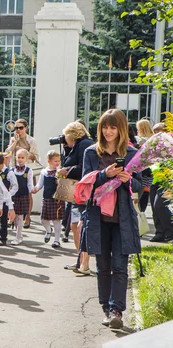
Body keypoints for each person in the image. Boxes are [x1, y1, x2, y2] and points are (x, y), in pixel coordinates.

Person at [82, 108, 142, 329]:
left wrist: (128, 180)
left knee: (120, 266)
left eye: (113, 127)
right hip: (98, 217)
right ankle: (106, 309)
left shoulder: (131, 152)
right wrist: (103, 175)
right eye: (105, 127)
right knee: (103, 266)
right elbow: (84, 183)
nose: (108, 131)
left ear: (121, 128)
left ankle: (117, 310)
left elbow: (141, 185)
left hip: (122, 218)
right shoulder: (91, 152)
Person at [58, 121, 93, 272]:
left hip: (82, 190)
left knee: (81, 226)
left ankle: (85, 263)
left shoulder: (85, 144)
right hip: (75, 190)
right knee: (74, 226)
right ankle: (80, 260)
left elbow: (84, 168)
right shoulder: (77, 146)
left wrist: (68, 170)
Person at [5, 119, 39, 228]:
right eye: (16, 128)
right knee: (12, 193)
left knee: (28, 194)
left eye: (21, 128)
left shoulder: (31, 140)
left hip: (27, 169)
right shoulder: (13, 139)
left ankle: (27, 217)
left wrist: (22, 150)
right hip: (14, 169)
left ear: (26, 128)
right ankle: (11, 217)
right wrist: (15, 142)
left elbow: (35, 156)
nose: (18, 130)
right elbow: (7, 151)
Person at [32, 150, 64, 248]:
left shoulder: (60, 172)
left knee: (56, 220)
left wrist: (60, 178)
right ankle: (49, 231)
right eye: (55, 161)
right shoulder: (44, 172)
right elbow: (40, 184)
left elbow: (63, 184)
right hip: (46, 198)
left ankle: (57, 240)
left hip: (57, 198)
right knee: (43, 219)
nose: (57, 163)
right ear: (48, 161)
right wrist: (36, 189)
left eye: (58, 161)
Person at [148, 123, 173, 242]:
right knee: (154, 206)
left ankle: (169, 231)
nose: (157, 134)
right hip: (156, 179)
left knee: (160, 205)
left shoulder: (169, 144)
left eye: (159, 131)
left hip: (167, 180)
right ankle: (160, 232)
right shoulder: (154, 145)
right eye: (155, 131)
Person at [10, 149, 34, 245]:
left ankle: (18, 236)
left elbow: (29, 184)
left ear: (26, 159)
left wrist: (33, 190)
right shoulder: (12, 170)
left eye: (22, 158)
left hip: (23, 195)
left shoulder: (28, 171)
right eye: (18, 157)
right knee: (14, 216)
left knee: (19, 217)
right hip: (14, 196)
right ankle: (19, 235)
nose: (20, 159)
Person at [0, 153, 18, 246]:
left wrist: (7, 195)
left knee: (3, 220)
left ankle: (3, 238)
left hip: (4, 199)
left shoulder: (9, 172)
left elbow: (15, 186)